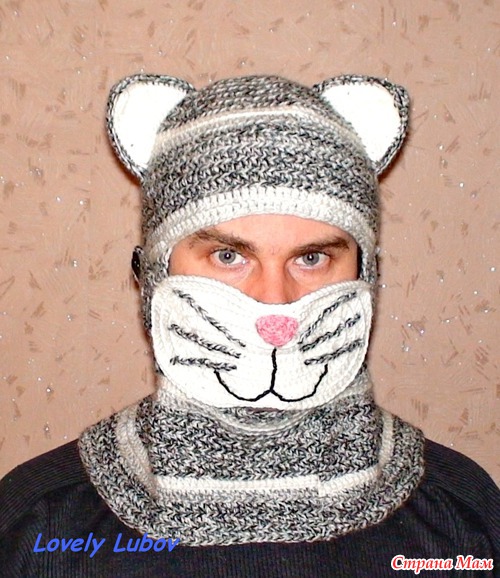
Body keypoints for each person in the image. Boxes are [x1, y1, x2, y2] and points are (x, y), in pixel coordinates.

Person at [0, 73, 498, 577]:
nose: (274, 303)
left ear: (365, 276)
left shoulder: (462, 521)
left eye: (312, 258)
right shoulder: (37, 526)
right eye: (228, 256)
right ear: (152, 276)